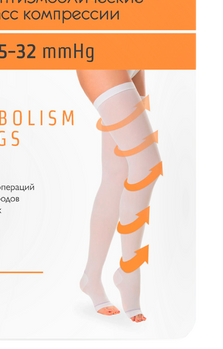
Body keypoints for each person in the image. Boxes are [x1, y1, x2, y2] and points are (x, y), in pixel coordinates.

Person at [76, 70, 161, 323]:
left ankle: (91, 276)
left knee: (117, 172)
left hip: (136, 58)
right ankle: (129, 272)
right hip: (104, 58)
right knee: (147, 165)